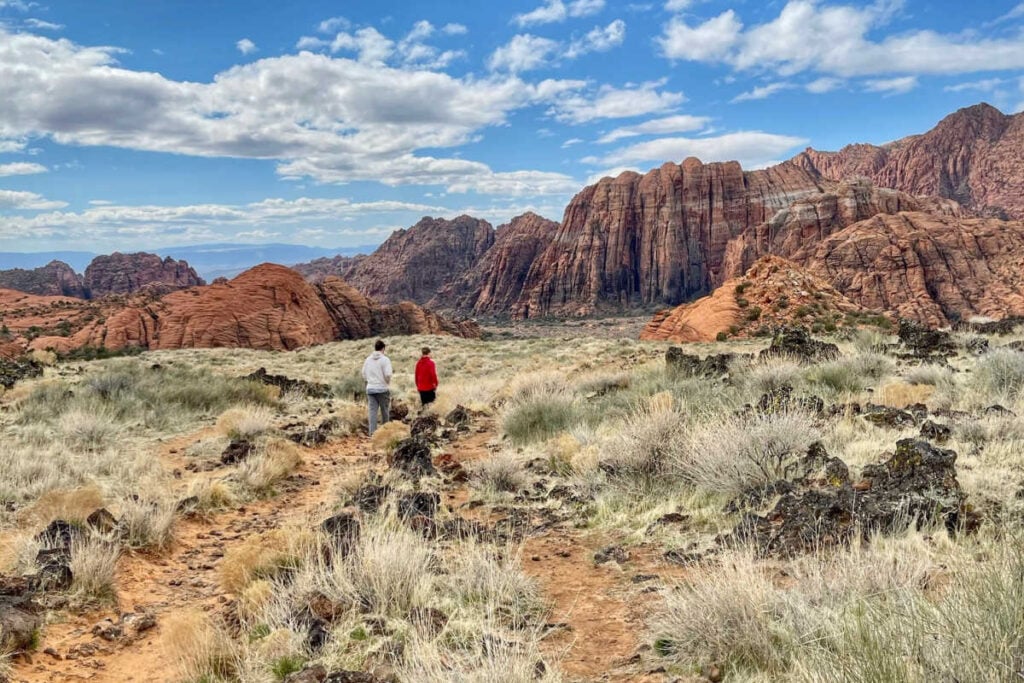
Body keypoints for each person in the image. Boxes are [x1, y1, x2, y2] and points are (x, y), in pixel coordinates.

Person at [361, 339, 393, 435]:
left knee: (372, 412)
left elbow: (363, 373)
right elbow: (388, 374)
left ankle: (372, 433)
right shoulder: (385, 359)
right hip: (382, 388)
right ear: (383, 348)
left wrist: (369, 381)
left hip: (370, 389)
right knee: (385, 411)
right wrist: (387, 382)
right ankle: (385, 433)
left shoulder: (368, 359)